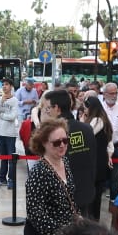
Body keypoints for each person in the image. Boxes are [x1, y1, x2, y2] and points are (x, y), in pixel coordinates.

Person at [22, 119, 79, 235]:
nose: (62, 145)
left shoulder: (64, 161)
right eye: (56, 142)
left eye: (65, 140)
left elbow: (70, 198)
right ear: (44, 143)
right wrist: (61, 233)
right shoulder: (39, 172)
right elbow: (35, 213)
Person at [44, 90, 96, 218]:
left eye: (48, 108)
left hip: (62, 196)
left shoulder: (53, 133)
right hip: (85, 192)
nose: (47, 112)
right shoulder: (87, 129)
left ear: (56, 108)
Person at [80, 94, 113, 221]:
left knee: (93, 198)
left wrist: (82, 121)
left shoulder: (97, 120)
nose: (85, 111)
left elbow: (86, 133)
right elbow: (110, 142)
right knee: (95, 196)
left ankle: (92, 223)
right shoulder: (104, 119)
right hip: (99, 162)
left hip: (95, 163)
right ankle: (93, 221)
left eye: (86, 108)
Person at [0, 81, 20, 188]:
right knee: (3, 158)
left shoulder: (15, 100)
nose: (4, 86)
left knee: (11, 158)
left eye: (7, 84)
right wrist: (0, 103)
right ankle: (2, 179)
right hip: (0, 133)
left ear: (11, 87)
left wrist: (1, 115)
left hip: (10, 134)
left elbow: (13, 116)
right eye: (3, 85)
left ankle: (11, 179)